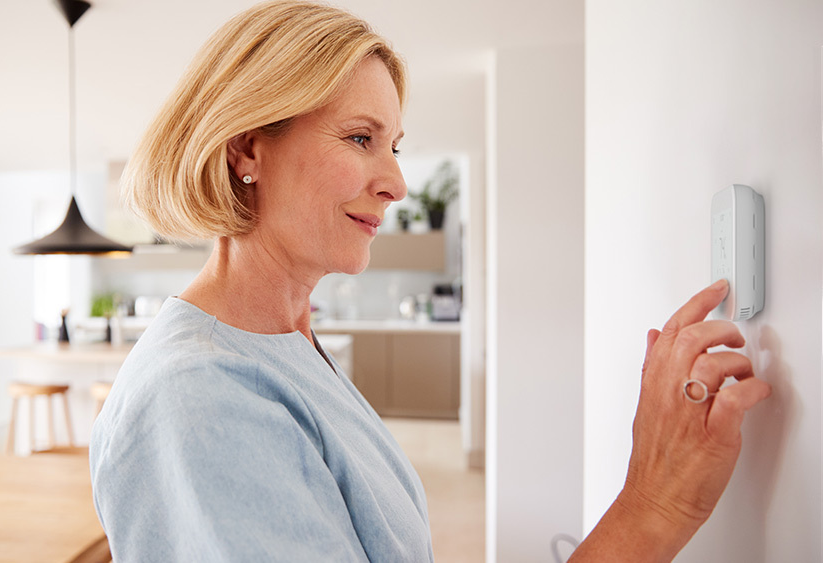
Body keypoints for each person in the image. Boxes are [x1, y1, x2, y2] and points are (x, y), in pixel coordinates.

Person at [89, 1, 772, 561]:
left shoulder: (285, 341)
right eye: (360, 138)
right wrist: (653, 509)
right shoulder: (201, 398)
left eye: (395, 145)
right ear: (246, 150)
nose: (395, 182)